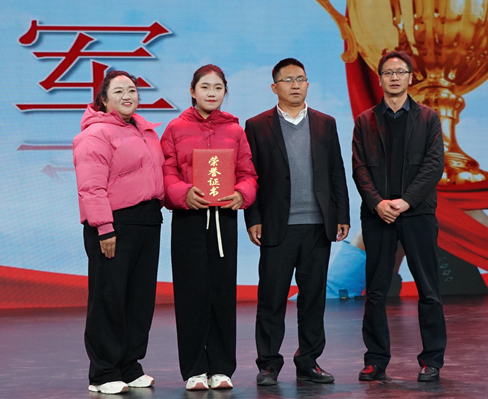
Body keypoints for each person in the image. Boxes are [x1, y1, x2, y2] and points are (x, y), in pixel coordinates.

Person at [244, 58, 350, 386]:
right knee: (272, 298)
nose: (295, 85)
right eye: (287, 80)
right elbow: (250, 175)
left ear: (307, 84)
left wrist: (342, 215)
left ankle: (309, 361)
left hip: (317, 225)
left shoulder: (325, 123)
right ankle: (268, 365)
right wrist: (253, 217)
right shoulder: (257, 125)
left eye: (300, 79)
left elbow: (336, 171)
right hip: (277, 225)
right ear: (274, 87)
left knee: (313, 298)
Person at [161, 64, 258, 391]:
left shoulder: (234, 130)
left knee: (222, 293)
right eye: (205, 87)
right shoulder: (175, 128)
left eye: (218, 87)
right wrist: (182, 194)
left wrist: (241, 194)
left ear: (225, 92)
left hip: (223, 220)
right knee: (190, 294)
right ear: (192, 91)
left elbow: (247, 173)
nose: (212, 93)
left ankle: (221, 367)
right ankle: (194, 369)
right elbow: (166, 172)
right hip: (188, 218)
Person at [352, 50, 447, 382]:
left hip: (417, 214)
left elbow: (433, 165)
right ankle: (376, 359)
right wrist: (378, 203)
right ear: (379, 79)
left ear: (410, 77)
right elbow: (359, 168)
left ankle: (432, 359)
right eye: (388, 72)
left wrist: (405, 202)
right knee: (376, 291)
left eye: (400, 72)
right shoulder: (365, 120)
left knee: (428, 289)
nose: (394, 77)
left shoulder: (428, 118)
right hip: (378, 215)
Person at [73, 70, 165, 395]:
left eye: (132, 90)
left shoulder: (144, 129)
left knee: (139, 299)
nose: (128, 96)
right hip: (114, 225)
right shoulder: (95, 134)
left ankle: (129, 365)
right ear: (104, 99)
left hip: (148, 221)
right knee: (108, 298)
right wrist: (104, 228)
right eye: (119, 91)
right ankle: (103, 372)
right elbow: (91, 187)